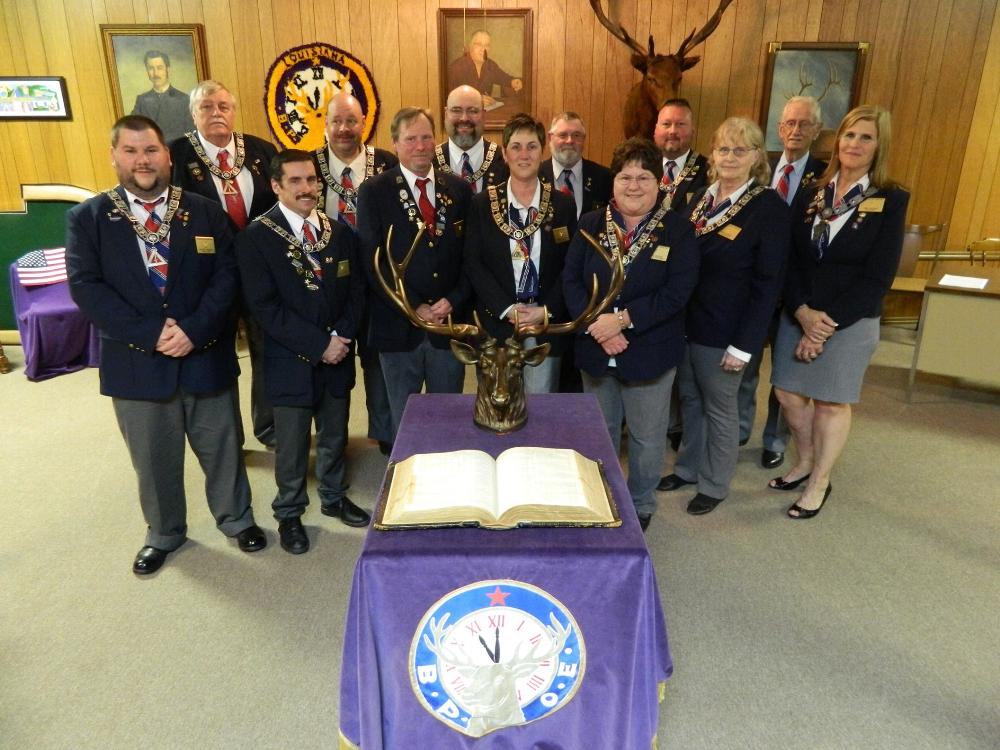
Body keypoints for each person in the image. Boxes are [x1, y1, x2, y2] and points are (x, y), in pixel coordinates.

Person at [66, 115, 265, 575]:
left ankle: (236, 519)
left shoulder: (204, 211)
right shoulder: (88, 219)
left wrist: (194, 330)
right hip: (136, 363)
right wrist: (151, 334)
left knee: (223, 446)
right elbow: (87, 288)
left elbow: (228, 276)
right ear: (114, 156)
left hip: (204, 352)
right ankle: (164, 532)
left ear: (168, 156)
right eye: (131, 151)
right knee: (153, 458)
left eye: (151, 150)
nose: (142, 160)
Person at [770, 105, 909, 519]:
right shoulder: (815, 189)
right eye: (849, 135)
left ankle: (819, 481)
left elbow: (879, 275)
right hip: (801, 313)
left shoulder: (890, 197)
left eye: (866, 137)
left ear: (879, 144)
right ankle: (807, 459)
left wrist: (822, 326)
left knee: (830, 403)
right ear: (837, 140)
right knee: (787, 394)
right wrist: (801, 312)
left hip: (848, 321)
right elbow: (792, 259)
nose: (855, 144)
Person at [563, 137, 699, 531]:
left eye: (644, 177)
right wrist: (598, 326)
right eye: (625, 176)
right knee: (599, 432)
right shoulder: (590, 223)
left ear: (659, 183)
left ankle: (641, 503)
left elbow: (677, 292)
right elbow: (571, 281)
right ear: (614, 181)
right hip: (595, 346)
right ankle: (600, 497)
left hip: (650, 351)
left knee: (645, 436)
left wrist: (621, 321)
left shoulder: (678, 231)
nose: (634, 185)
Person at [237, 150, 369, 554]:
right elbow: (264, 309)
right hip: (289, 361)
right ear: (276, 186)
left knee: (334, 435)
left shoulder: (340, 232)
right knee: (292, 446)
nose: (306, 189)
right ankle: (289, 512)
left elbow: (357, 292)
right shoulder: (256, 238)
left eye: (311, 180)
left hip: (338, 357)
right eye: (295, 181)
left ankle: (332, 496)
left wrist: (341, 337)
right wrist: (319, 344)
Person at [658, 117, 790, 515]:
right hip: (686, 325)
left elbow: (769, 285)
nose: (730, 157)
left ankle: (715, 483)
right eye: (723, 149)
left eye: (740, 149)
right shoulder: (697, 198)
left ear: (756, 157)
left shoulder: (768, 207)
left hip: (727, 332)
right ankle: (688, 468)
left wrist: (746, 345)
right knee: (690, 401)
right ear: (711, 154)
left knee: (720, 407)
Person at [170, 80, 279, 448]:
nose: (216, 113)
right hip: (208, 276)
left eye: (223, 106)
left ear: (234, 111)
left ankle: (269, 428)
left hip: (260, 272)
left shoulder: (262, 152)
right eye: (206, 107)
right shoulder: (176, 157)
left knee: (266, 350)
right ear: (193, 113)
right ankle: (228, 436)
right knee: (216, 351)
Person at [357, 107, 473, 438]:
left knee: (449, 417)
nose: (420, 146)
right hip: (397, 326)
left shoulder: (459, 190)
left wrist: (453, 300)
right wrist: (413, 306)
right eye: (411, 139)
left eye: (426, 138)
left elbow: (471, 257)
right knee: (403, 419)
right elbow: (372, 260)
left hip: (448, 325)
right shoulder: (374, 192)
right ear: (395, 143)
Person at [739, 96, 828, 470]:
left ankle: (775, 439)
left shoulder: (824, 176)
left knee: (783, 376)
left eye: (804, 124)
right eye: (789, 123)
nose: (795, 131)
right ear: (779, 128)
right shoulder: (760, 169)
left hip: (795, 293)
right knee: (744, 364)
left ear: (817, 131)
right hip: (755, 289)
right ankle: (740, 429)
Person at [464, 113, 578, 393]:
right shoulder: (482, 204)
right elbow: (473, 263)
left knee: (539, 408)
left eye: (531, 146)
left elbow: (571, 266)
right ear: (504, 153)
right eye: (516, 146)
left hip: (544, 323)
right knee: (497, 401)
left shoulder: (562, 204)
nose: (523, 154)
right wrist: (507, 308)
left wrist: (545, 311)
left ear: (542, 151)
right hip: (497, 323)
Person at [312, 91, 398, 455]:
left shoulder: (387, 163)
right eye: (337, 121)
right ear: (326, 125)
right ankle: (334, 439)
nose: (344, 129)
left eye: (352, 121)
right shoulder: (309, 165)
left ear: (365, 123)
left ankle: (384, 431)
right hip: (329, 282)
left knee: (379, 357)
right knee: (334, 358)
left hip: (379, 276)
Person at [434, 85, 508, 193]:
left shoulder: (505, 161)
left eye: (473, 111)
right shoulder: (429, 162)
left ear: (483, 115)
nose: (464, 118)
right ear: (446, 114)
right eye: (456, 110)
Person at [540, 111, 612, 219]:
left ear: (584, 139)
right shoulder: (535, 176)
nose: (569, 141)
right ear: (550, 138)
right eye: (563, 135)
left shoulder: (604, 178)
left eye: (576, 135)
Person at [654, 98, 708, 211]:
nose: (673, 131)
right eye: (666, 124)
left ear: (693, 131)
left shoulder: (708, 170)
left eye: (680, 124)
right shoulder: (642, 165)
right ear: (655, 130)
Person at [131, 51, 195, 144]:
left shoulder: (184, 100)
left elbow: (192, 135)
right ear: (147, 71)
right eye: (151, 68)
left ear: (167, 69)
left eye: (159, 68)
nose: (155, 73)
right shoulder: (141, 100)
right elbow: (132, 131)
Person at [447, 30, 523, 106]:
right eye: (478, 44)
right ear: (469, 46)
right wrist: (475, 101)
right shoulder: (456, 67)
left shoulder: (490, 65)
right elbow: (451, 98)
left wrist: (513, 81)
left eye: (487, 45)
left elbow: (504, 78)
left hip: (486, 113)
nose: (483, 49)